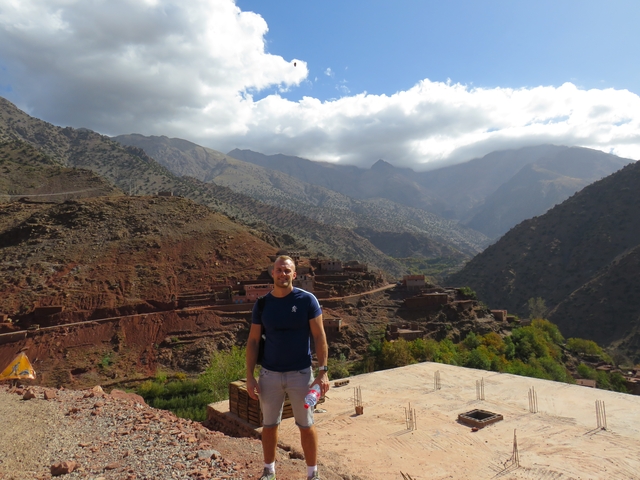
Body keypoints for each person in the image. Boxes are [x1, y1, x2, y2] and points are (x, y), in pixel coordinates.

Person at [246, 255, 330, 480]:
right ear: (272, 273)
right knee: (269, 425)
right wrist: (249, 376)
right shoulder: (262, 304)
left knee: (306, 425)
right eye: (279, 270)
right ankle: (269, 471)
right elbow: (253, 341)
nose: (282, 274)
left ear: (294, 275)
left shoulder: (307, 300)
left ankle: (312, 474)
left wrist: (323, 373)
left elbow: (320, 336)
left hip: (301, 375)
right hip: (269, 375)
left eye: (287, 271)